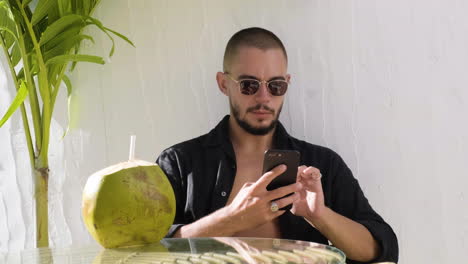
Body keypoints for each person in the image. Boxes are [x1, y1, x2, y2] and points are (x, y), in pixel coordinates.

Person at [156, 27, 398, 264]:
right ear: (223, 83)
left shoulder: (322, 164)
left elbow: (381, 248)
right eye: (249, 85)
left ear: (287, 84)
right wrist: (231, 219)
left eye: (275, 85)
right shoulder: (180, 162)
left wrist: (321, 216)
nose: (264, 97)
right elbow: (146, 251)